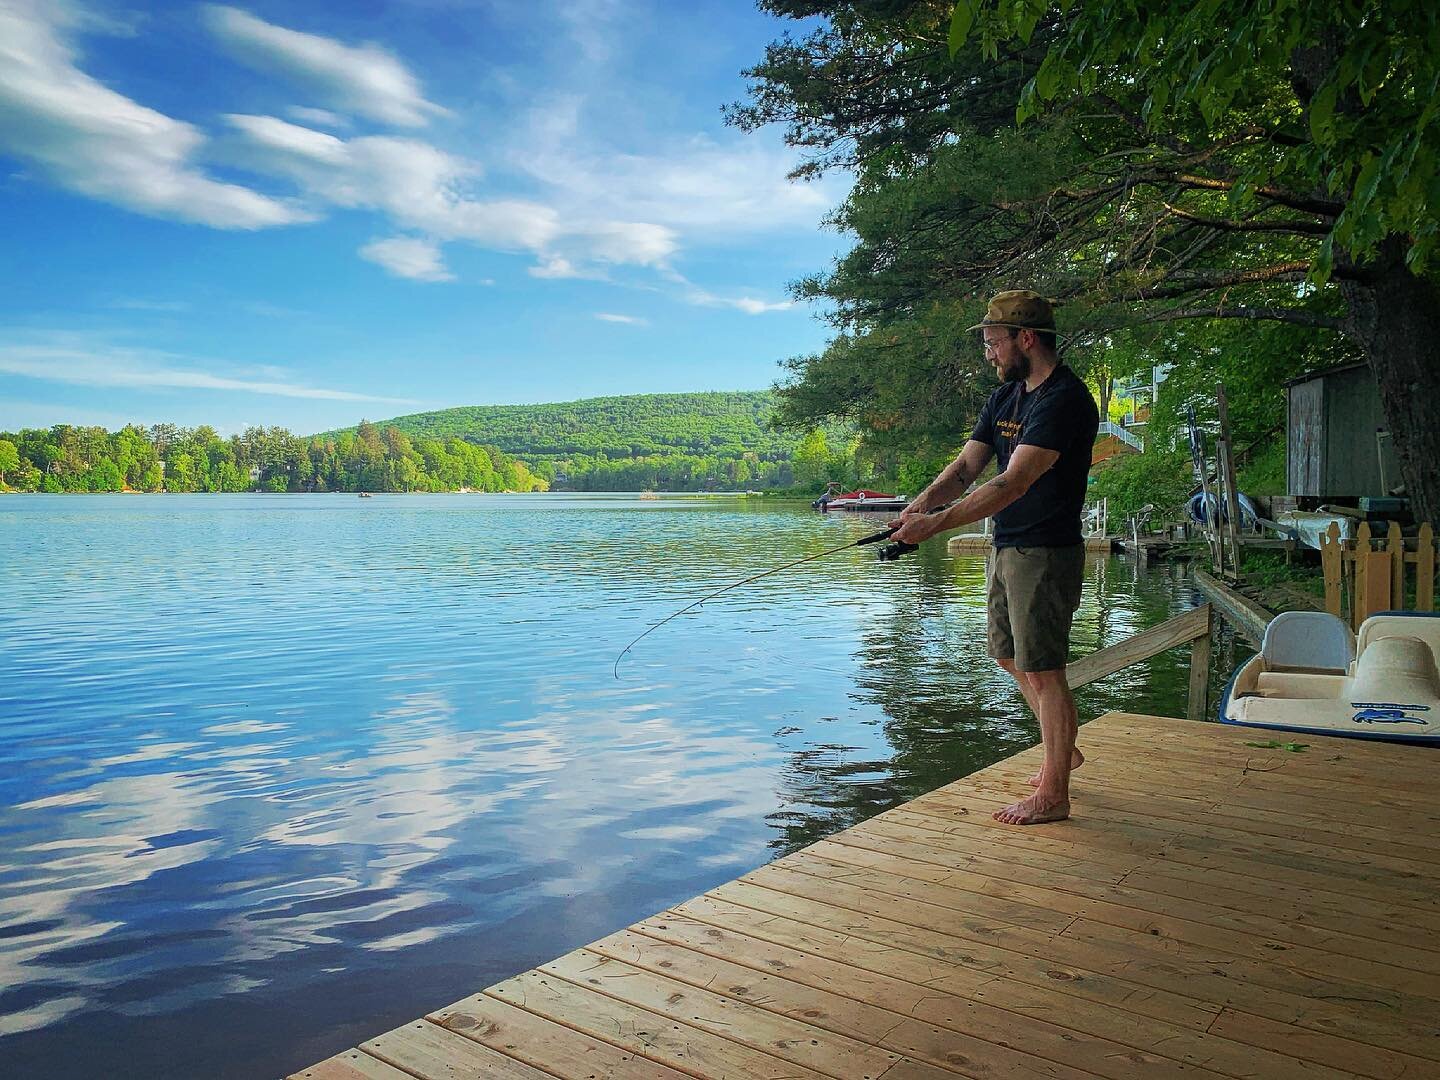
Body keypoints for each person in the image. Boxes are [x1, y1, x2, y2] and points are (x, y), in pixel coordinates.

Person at [890, 290, 1099, 825]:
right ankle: (1063, 749)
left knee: (1045, 670)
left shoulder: (1065, 398)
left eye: (993, 342)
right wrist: (919, 506)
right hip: (1007, 546)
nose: (988, 353)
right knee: (1008, 655)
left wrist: (934, 527)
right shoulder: (1005, 398)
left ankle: (1054, 793)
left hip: (1046, 550)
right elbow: (967, 468)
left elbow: (1013, 480)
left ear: (1025, 339)